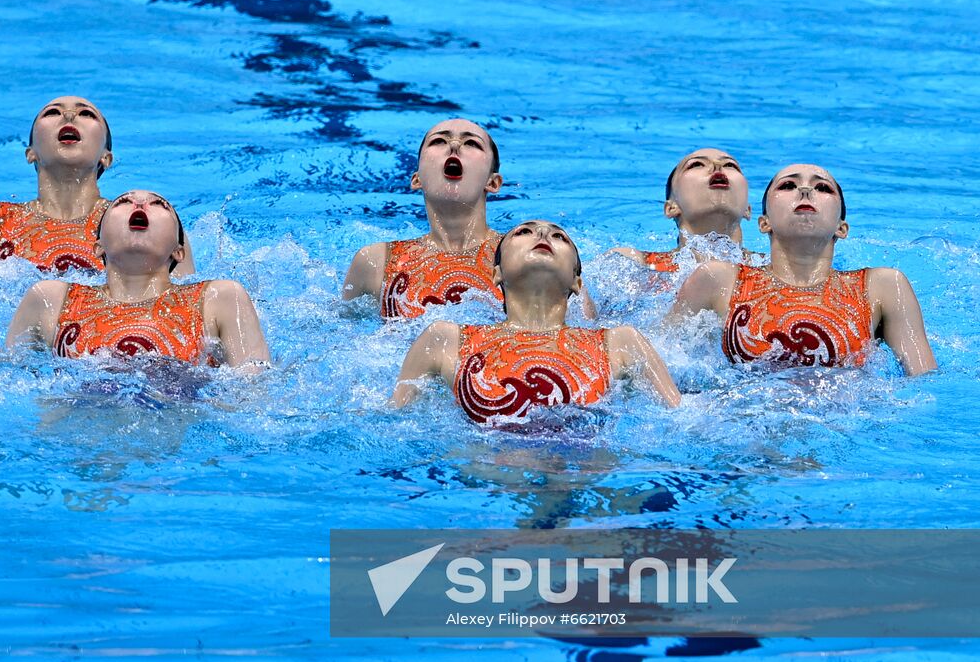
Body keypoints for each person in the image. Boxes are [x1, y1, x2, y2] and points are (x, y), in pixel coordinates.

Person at [392, 220, 681, 423]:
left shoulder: (620, 342)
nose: (542, 234)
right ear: (497, 274)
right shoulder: (444, 339)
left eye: (559, 237)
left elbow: (682, 419)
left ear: (577, 282)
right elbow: (394, 422)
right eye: (524, 232)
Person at [669, 164, 937, 375]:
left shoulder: (883, 286)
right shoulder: (718, 279)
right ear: (764, 223)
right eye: (788, 185)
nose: (806, 191)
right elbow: (666, 355)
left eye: (823, 188)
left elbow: (924, 382)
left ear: (841, 228)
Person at [6, 190, 268, 369]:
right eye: (122, 203)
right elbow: (9, 377)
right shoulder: (50, 299)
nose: (140, 205)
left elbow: (253, 391)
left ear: (179, 251)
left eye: (159, 204)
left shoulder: (219, 298)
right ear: (98, 246)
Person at [0, 96, 194, 276]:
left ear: (106, 157)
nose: (69, 116)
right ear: (30, 153)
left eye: (87, 114)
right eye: (52, 113)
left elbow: (183, 309)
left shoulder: (141, 220)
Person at [342, 118, 505, 318]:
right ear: (417, 179)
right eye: (438, 141)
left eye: (471, 143)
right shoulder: (376, 262)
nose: (454, 145)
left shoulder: (517, 255)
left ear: (494, 182)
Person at [611, 148, 755, 274]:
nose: (717, 167)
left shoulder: (771, 271)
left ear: (747, 209)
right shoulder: (634, 265)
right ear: (671, 208)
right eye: (696, 164)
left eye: (730, 165)